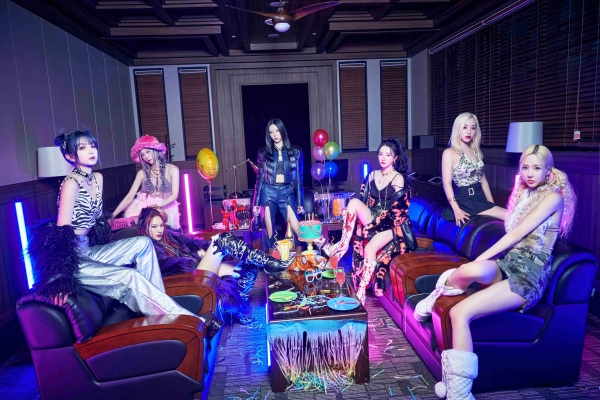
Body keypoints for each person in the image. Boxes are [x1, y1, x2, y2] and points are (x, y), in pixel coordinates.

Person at [414, 145, 576, 399]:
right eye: (525, 168)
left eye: (536, 168)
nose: (529, 173)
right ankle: (436, 296)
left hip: (528, 278)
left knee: (459, 313)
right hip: (508, 264)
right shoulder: (525, 194)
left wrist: (482, 255)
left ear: (548, 171)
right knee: (469, 269)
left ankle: (460, 393)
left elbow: (516, 234)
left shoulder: (553, 198)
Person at [29, 130, 197, 321]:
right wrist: (60, 279)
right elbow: (61, 233)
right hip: (74, 259)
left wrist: (128, 221)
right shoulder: (71, 183)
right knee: (130, 275)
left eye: (92, 146)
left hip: (89, 249)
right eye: (82, 148)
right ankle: (187, 320)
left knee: (143, 243)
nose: (91, 151)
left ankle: (160, 310)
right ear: (70, 156)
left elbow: (101, 221)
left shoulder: (97, 179)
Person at [315, 138, 413, 303]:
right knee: (353, 202)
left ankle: (361, 292)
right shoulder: (372, 175)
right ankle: (342, 244)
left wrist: (381, 221)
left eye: (388, 155)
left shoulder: (398, 178)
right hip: (373, 216)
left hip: (391, 223)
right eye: (381, 154)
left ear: (395, 158)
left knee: (370, 249)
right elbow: (364, 201)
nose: (383, 158)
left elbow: (399, 210)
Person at [441, 112, 506, 226]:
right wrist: (456, 209)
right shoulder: (449, 153)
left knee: (508, 217)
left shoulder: (476, 151)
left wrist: (491, 204)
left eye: (473, 128)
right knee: (510, 215)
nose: (469, 132)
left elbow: (483, 181)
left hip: (480, 197)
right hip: (465, 200)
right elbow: (447, 184)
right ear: (458, 128)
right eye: (465, 127)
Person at [252, 118, 304, 249]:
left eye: (277, 130)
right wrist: (255, 203)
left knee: (297, 229)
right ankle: (269, 259)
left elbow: (299, 178)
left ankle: (299, 258)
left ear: (282, 131)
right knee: (269, 232)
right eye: (271, 132)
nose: (275, 134)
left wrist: (300, 202)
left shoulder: (296, 151)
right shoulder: (263, 153)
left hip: (286, 191)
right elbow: (259, 178)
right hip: (268, 192)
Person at [111, 135, 181, 230]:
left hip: (165, 206)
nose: (146, 157)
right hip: (143, 206)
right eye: (142, 155)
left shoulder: (172, 169)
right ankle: (119, 223)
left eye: (148, 152)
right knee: (145, 220)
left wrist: (160, 204)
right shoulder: (141, 173)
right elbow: (129, 196)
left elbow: (175, 195)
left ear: (156, 150)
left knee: (159, 219)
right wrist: (112, 216)